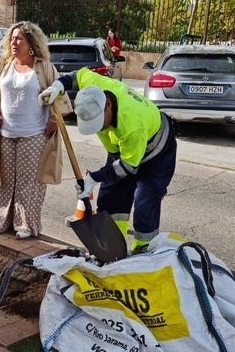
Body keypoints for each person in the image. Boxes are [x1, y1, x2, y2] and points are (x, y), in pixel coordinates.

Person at [39, 68, 177, 254]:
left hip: (157, 151)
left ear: (109, 105)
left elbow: (128, 168)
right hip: (123, 149)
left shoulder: (130, 124)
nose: (100, 127)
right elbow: (77, 75)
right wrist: (58, 86)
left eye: (99, 121)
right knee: (111, 195)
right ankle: (112, 247)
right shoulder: (94, 89)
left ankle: (144, 250)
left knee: (145, 199)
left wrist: (94, 177)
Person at [0, 21, 72, 239]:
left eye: (19, 38)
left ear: (31, 42)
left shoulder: (44, 67)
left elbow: (60, 95)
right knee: (4, 181)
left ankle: (26, 226)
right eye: (12, 38)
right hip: (6, 133)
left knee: (29, 184)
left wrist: (53, 119)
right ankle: (2, 221)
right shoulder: (5, 66)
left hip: (34, 135)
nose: (14, 42)